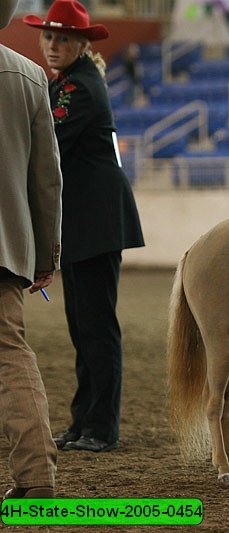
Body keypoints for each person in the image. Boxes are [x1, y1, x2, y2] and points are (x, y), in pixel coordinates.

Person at [24, 0, 145, 453]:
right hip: (85, 222)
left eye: (63, 39)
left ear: (79, 44)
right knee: (84, 326)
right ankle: (84, 422)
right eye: (50, 37)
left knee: (95, 327)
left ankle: (100, 426)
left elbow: (46, 145)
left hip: (94, 222)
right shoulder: (70, 84)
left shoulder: (79, 89)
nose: (54, 45)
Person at [0, 0, 62, 500]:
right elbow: (47, 181)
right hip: (6, 247)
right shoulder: (29, 75)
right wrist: (44, 256)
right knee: (10, 356)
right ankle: (36, 476)